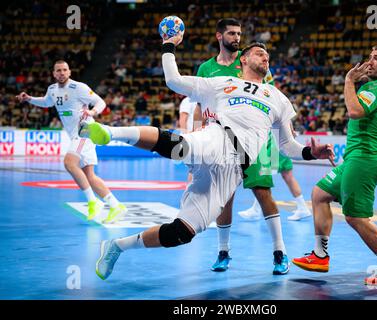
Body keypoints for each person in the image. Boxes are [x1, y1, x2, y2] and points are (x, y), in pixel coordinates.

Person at [81, 35, 335, 280]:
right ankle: (110, 132)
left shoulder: (279, 98)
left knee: (182, 232)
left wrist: (310, 153)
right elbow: (173, 80)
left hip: (233, 169)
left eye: (267, 55)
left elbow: (287, 145)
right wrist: (169, 45)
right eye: (259, 53)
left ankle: (117, 246)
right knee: (177, 146)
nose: (265, 57)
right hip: (219, 138)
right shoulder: (223, 83)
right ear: (243, 60)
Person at [196, 18, 311, 275]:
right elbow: (199, 104)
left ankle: (280, 253)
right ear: (219, 36)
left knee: (263, 192)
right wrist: (196, 133)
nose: (237, 37)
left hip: (258, 137)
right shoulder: (206, 68)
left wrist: (281, 123)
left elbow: (268, 91)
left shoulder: (251, 61)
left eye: (239, 33)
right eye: (232, 33)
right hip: (221, 139)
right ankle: (223, 253)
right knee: (225, 198)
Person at [292, 45, 377, 286]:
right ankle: (320, 255)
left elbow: (355, 111)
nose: (369, 62)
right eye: (369, 57)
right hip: (361, 158)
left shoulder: (376, 87)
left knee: (356, 218)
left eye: (376, 59)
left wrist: (349, 81)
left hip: (364, 158)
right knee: (320, 193)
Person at [16, 60, 127, 223]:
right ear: (54, 74)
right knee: (89, 176)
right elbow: (46, 102)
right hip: (74, 134)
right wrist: (29, 98)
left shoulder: (78, 87)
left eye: (64, 70)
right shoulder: (52, 89)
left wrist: (92, 111)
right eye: (58, 70)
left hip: (85, 130)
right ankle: (116, 206)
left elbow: (100, 102)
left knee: (69, 163)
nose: (61, 73)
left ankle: (92, 201)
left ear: (69, 72)